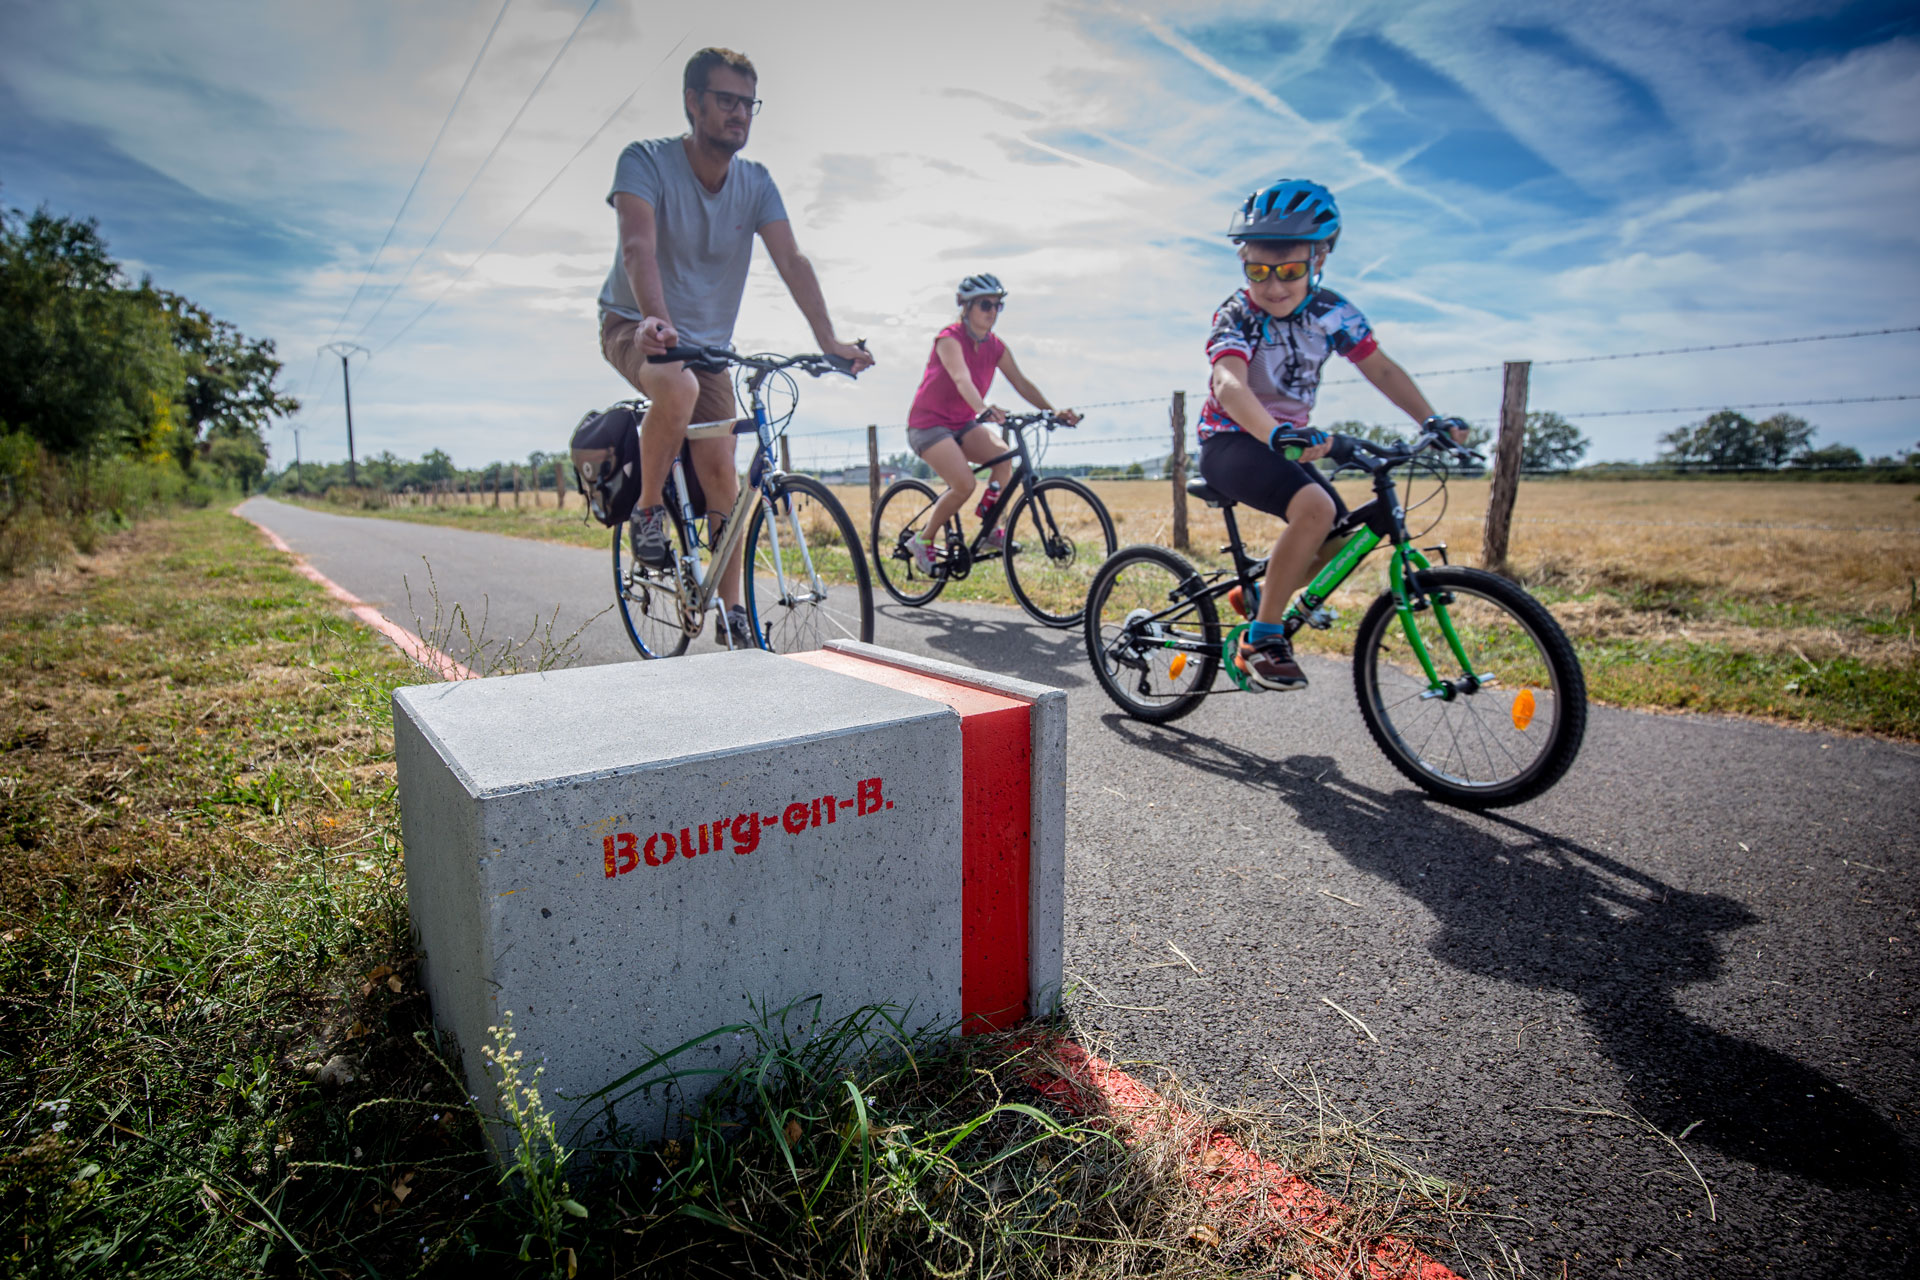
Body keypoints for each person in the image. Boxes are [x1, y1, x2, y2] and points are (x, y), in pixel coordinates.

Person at [597, 46, 874, 647]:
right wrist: (655, 321)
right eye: (726, 101)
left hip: (710, 345)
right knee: (676, 384)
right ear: (693, 102)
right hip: (634, 323)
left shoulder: (756, 184)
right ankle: (648, 512)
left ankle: (731, 615)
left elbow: (792, 259)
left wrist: (827, 340)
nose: (739, 114)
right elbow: (637, 247)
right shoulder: (645, 161)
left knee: (724, 469)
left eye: (749, 104)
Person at [1197, 179, 1469, 692]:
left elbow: (1381, 369)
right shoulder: (1238, 312)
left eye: (1290, 271)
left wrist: (1430, 421)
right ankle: (1262, 639)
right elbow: (1227, 381)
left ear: (1319, 259)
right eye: (1258, 270)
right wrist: (1273, 432)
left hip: (1286, 443)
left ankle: (1254, 594)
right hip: (1231, 440)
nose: (1273, 286)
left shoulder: (1332, 312)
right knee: (1315, 510)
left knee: (1339, 536)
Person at [901, 274, 1079, 573]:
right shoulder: (949, 338)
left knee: (1003, 458)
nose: (992, 312)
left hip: (963, 423)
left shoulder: (995, 346)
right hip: (928, 425)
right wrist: (982, 408)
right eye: (986, 305)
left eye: (999, 306)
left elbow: (1021, 382)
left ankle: (990, 529)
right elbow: (961, 378)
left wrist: (1052, 411)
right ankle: (923, 539)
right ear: (966, 307)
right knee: (964, 484)